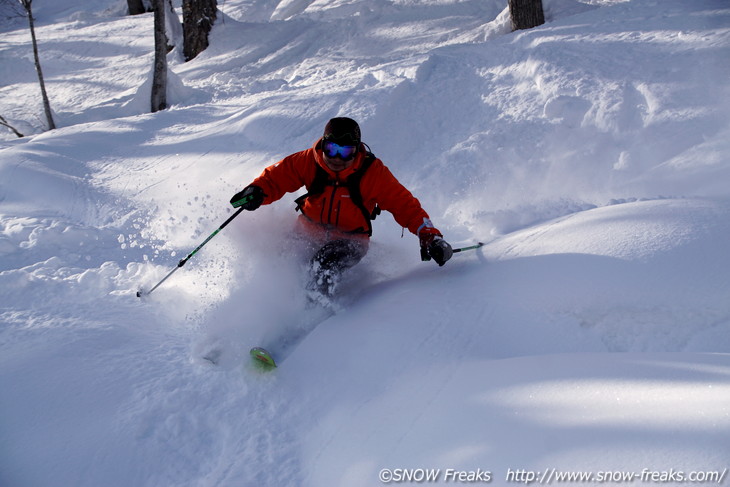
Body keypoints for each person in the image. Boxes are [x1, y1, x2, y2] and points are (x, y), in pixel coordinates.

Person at [230, 117, 453, 298]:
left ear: (357, 150)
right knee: (278, 260)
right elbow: (276, 178)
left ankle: (307, 317)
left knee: (324, 263)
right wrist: (256, 191)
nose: (336, 158)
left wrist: (430, 237)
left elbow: (406, 206)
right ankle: (256, 312)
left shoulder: (373, 173)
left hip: (350, 241)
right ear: (323, 144)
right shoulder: (309, 160)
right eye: (331, 149)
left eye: (345, 152)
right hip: (306, 232)